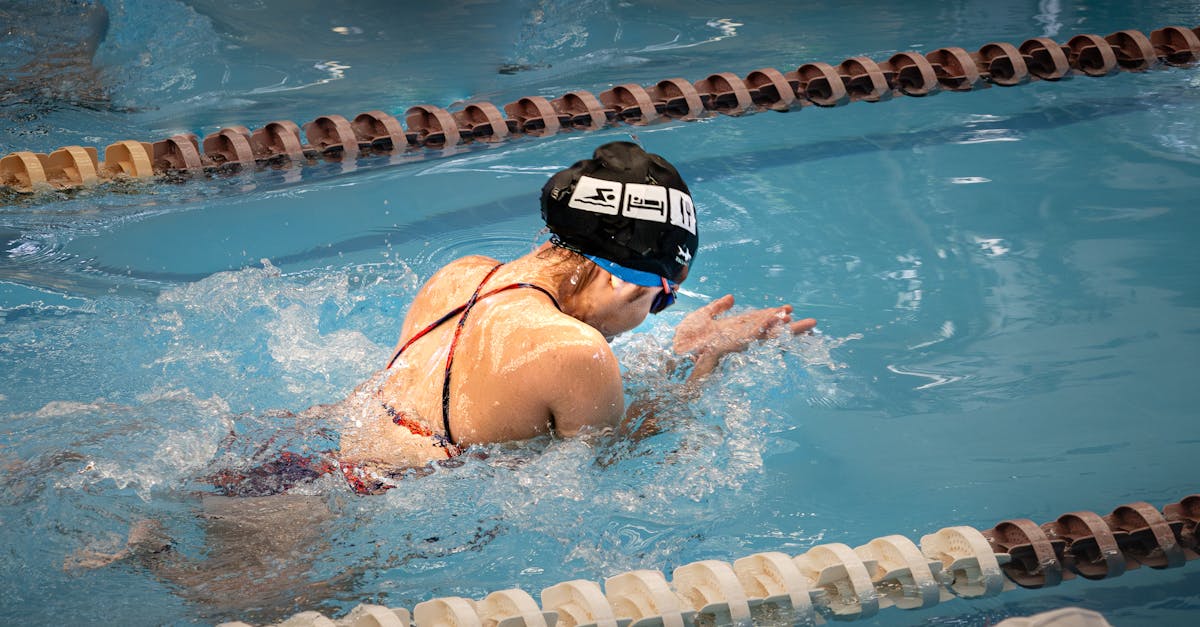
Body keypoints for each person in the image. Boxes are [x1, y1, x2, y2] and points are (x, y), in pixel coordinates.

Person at [329, 140, 817, 492]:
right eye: (660, 300)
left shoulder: (459, 276)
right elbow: (605, 469)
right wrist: (700, 373)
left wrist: (679, 354)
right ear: (624, 281)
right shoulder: (576, 350)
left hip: (318, 470)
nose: (651, 315)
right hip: (374, 516)